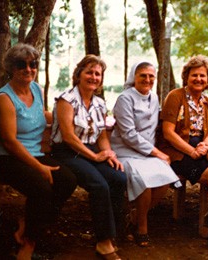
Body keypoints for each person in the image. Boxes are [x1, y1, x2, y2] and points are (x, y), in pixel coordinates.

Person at [0, 43, 77, 259]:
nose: (29, 69)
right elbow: (10, 142)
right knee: (41, 187)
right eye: (22, 64)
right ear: (11, 68)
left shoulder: (36, 89)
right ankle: (27, 246)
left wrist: (69, 119)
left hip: (35, 153)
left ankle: (27, 226)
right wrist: (39, 167)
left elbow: (42, 114)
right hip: (9, 157)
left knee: (67, 180)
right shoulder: (4, 98)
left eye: (33, 64)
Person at [51, 55, 127, 260]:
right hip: (66, 152)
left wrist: (109, 154)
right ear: (78, 75)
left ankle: (112, 234)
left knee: (118, 177)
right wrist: (95, 157)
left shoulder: (100, 103)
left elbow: (102, 135)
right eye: (89, 72)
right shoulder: (66, 99)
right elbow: (67, 136)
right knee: (98, 184)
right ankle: (103, 243)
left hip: (89, 150)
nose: (93, 77)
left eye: (97, 74)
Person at [159, 55, 208, 251]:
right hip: (178, 151)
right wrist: (191, 151)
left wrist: (205, 146)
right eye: (195, 75)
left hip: (200, 147)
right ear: (186, 76)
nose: (199, 79)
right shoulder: (175, 96)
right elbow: (168, 133)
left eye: (203, 76)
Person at [110, 61, 181, 247]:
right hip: (125, 152)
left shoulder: (154, 97)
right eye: (143, 75)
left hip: (147, 153)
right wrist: (157, 152)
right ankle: (142, 226)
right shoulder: (125, 99)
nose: (147, 80)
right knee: (144, 180)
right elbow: (128, 134)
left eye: (151, 76)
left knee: (166, 177)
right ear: (134, 77)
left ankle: (135, 216)